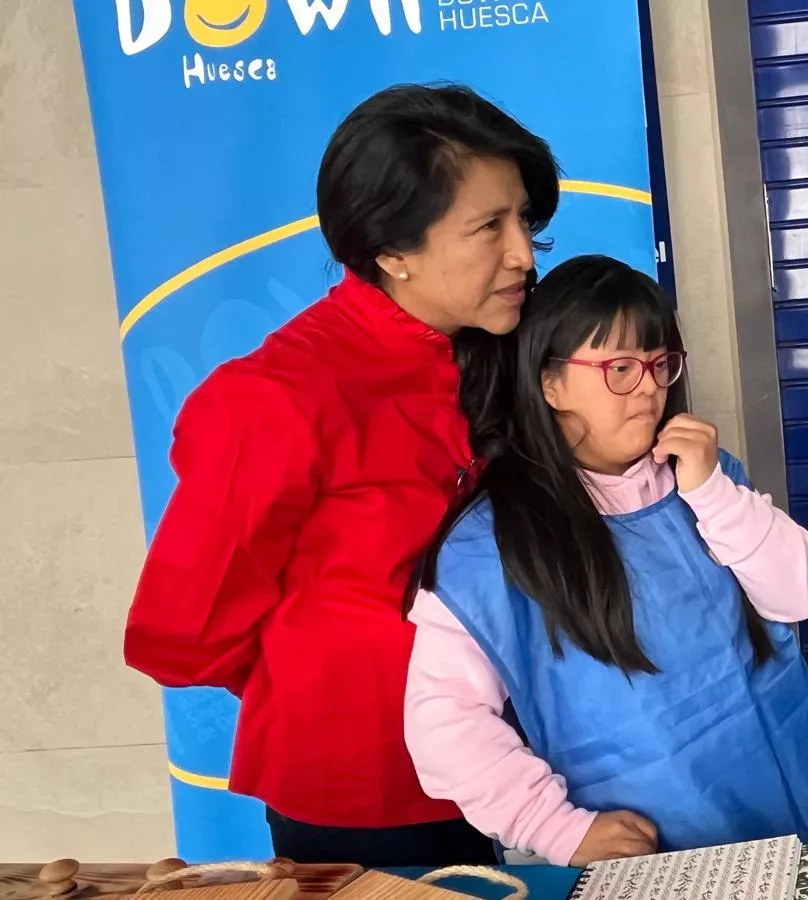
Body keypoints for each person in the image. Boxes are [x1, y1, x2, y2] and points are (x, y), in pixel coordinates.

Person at [122, 84, 560, 866]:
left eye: (523, 219)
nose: (523, 253)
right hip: (367, 788)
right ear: (391, 251)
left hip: (526, 763)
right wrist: (332, 666)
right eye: (489, 227)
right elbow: (183, 631)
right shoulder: (279, 398)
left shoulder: (505, 347)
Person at [403, 255, 808, 866]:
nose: (648, 387)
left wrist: (712, 491)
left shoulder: (703, 481)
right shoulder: (495, 543)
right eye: (619, 367)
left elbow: (797, 596)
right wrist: (556, 828)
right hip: (658, 855)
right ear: (548, 381)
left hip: (797, 808)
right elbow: (443, 725)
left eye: (659, 364)